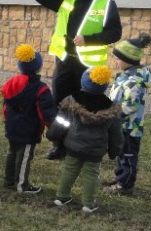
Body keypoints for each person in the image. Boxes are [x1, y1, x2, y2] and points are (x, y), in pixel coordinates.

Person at [35, 0, 122, 160]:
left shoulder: (106, 4)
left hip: (88, 68)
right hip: (65, 62)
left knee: (85, 107)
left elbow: (115, 33)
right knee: (60, 104)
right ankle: (60, 145)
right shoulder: (67, 0)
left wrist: (89, 39)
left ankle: (80, 146)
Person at [48, 66, 123, 213]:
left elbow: (62, 122)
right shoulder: (111, 108)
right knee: (92, 175)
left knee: (69, 170)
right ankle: (88, 204)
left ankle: (61, 197)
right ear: (105, 85)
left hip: (73, 146)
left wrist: (53, 135)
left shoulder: (71, 100)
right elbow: (116, 133)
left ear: (83, 81)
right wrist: (115, 150)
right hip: (95, 151)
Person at [1, 44, 58, 194]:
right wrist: (54, 128)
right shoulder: (41, 89)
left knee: (12, 153)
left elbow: (6, 106)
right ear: (38, 67)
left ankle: (8, 181)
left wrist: (6, 121)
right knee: (24, 157)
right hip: (28, 130)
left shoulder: (10, 84)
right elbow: (46, 113)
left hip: (12, 126)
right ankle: (21, 186)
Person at [107, 33, 151, 195]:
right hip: (122, 124)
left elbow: (130, 106)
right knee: (121, 153)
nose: (116, 61)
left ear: (128, 59)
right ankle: (121, 177)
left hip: (130, 126)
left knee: (127, 154)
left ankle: (126, 185)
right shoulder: (127, 76)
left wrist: (112, 113)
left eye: (118, 58)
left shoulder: (134, 81)